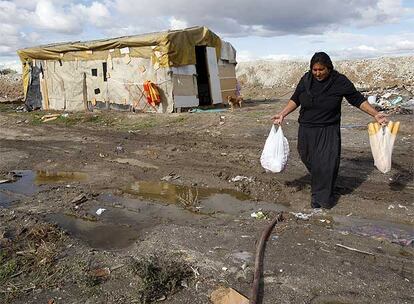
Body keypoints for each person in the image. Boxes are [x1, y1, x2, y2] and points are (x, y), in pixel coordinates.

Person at [272, 52, 388, 209]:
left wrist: (375, 114)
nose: (318, 73)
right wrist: (282, 114)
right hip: (307, 128)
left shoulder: (339, 81)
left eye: (321, 69)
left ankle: (321, 202)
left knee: (326, 164)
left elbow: (357, 99)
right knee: (306, 156)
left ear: (329, 68)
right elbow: (296, 98)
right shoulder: (306, 80)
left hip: (328, 129)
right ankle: (323, 181)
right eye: (315, 70)